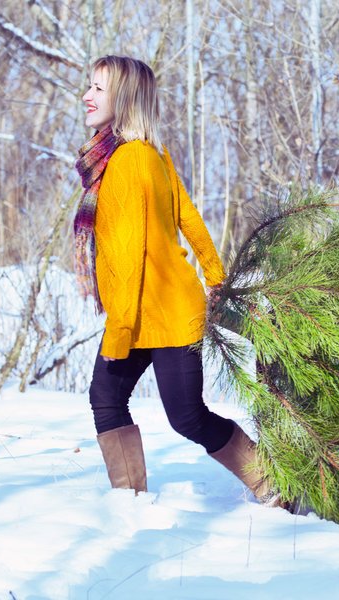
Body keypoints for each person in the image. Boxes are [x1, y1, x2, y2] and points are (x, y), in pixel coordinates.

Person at [74, 55, 275, 504]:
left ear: (123, 99)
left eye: (98, 89)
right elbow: (191, 218)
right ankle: (129, 500)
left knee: (185, 416)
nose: (86, 96)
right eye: (88, 86)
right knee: (109, 396)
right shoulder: (150, 154)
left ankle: (275, 486)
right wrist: (215, 275)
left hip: (160, 309)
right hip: (155, 308)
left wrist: (119, 330)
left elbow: (129, 257)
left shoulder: (129, 161)